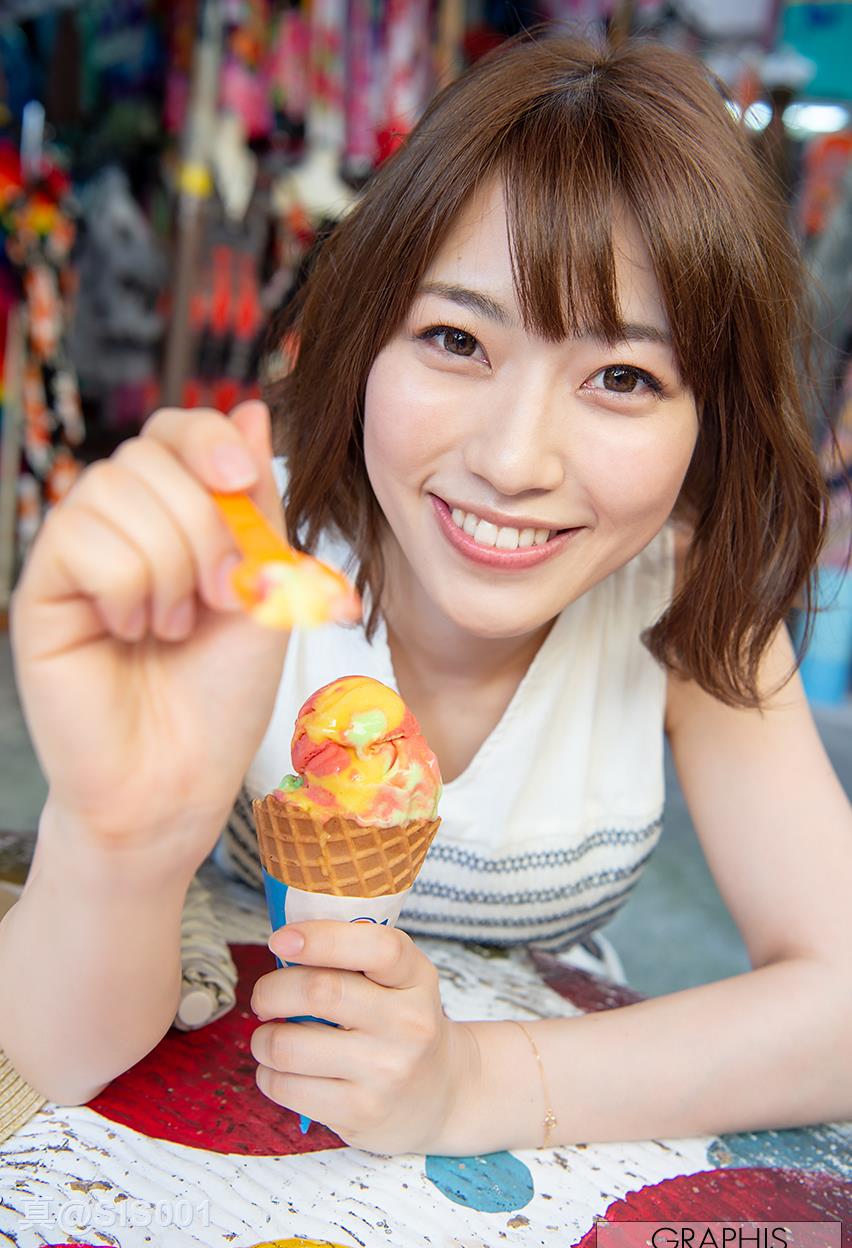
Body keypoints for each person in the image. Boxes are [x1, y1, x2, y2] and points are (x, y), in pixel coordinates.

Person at [3, 31, 851, 1158]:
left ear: (712, 422)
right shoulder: (242, 568)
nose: (514, 459)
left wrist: (470, 1085)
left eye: (623, 376)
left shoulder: (685, 604)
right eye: (456, 338)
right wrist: (122, 845)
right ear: (366, 339)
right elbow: (51, 1057)